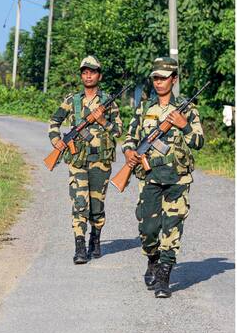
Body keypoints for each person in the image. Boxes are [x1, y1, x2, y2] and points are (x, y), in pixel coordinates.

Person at [121, 57, 204, 298]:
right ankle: (152, 260)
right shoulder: (145, 109)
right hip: (149, 177)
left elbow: (198, 142)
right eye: (156, 78)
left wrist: (184, 125)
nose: (159, 82)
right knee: (148, 229)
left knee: (172, 229)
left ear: (174, 80)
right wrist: (128, 151)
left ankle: (164, 276)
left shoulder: (187, 109)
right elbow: (130, 137)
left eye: (164, 78)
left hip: (177, 179)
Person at [48, 56, 123, 264]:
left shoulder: (108, 101)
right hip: (77, 161)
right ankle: (79, 246)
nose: (88, 75)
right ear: (81, 75)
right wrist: (56, 140)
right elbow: (54, 121)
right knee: (80, 203)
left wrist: (102, 120)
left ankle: (95, 239)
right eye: (84, 71)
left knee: (97, 206)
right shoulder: (72, 100)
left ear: (99, 75)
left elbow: (118, 131)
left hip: (101, 161)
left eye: (92, 71)